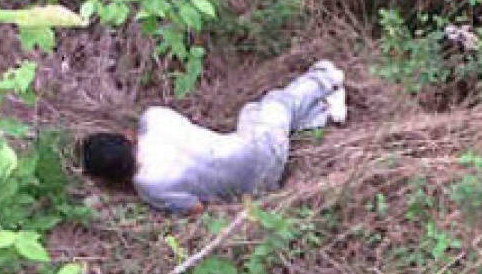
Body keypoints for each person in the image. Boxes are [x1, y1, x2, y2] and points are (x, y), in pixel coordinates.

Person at [82, 60, 347, 213]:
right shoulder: (155, 119)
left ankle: (325, 111)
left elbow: (195, 208)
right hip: (258, 148)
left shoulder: (148, 187)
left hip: (257, 188)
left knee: (256, 115)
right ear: (125, 137)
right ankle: (325, 78)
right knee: (270, 104)